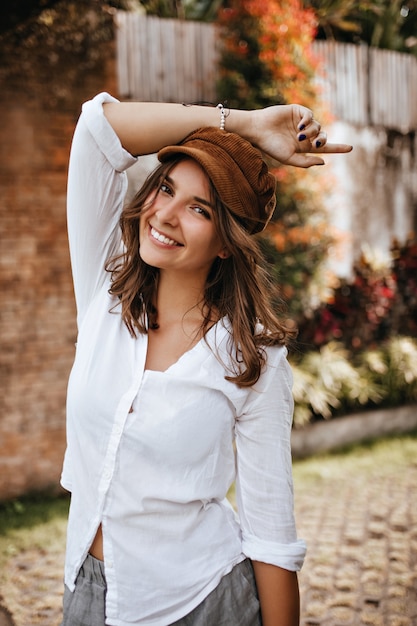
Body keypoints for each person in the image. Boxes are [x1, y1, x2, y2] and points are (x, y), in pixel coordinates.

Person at [60, 91, 352, 626]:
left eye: (200, 209)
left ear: (226, 241)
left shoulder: (251, 357)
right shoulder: (105, 288)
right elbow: (97, 129)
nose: (166, 216)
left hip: (204, 604)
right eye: (165, 188)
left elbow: (271, 536)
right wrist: (243, 124)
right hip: (89, 597)